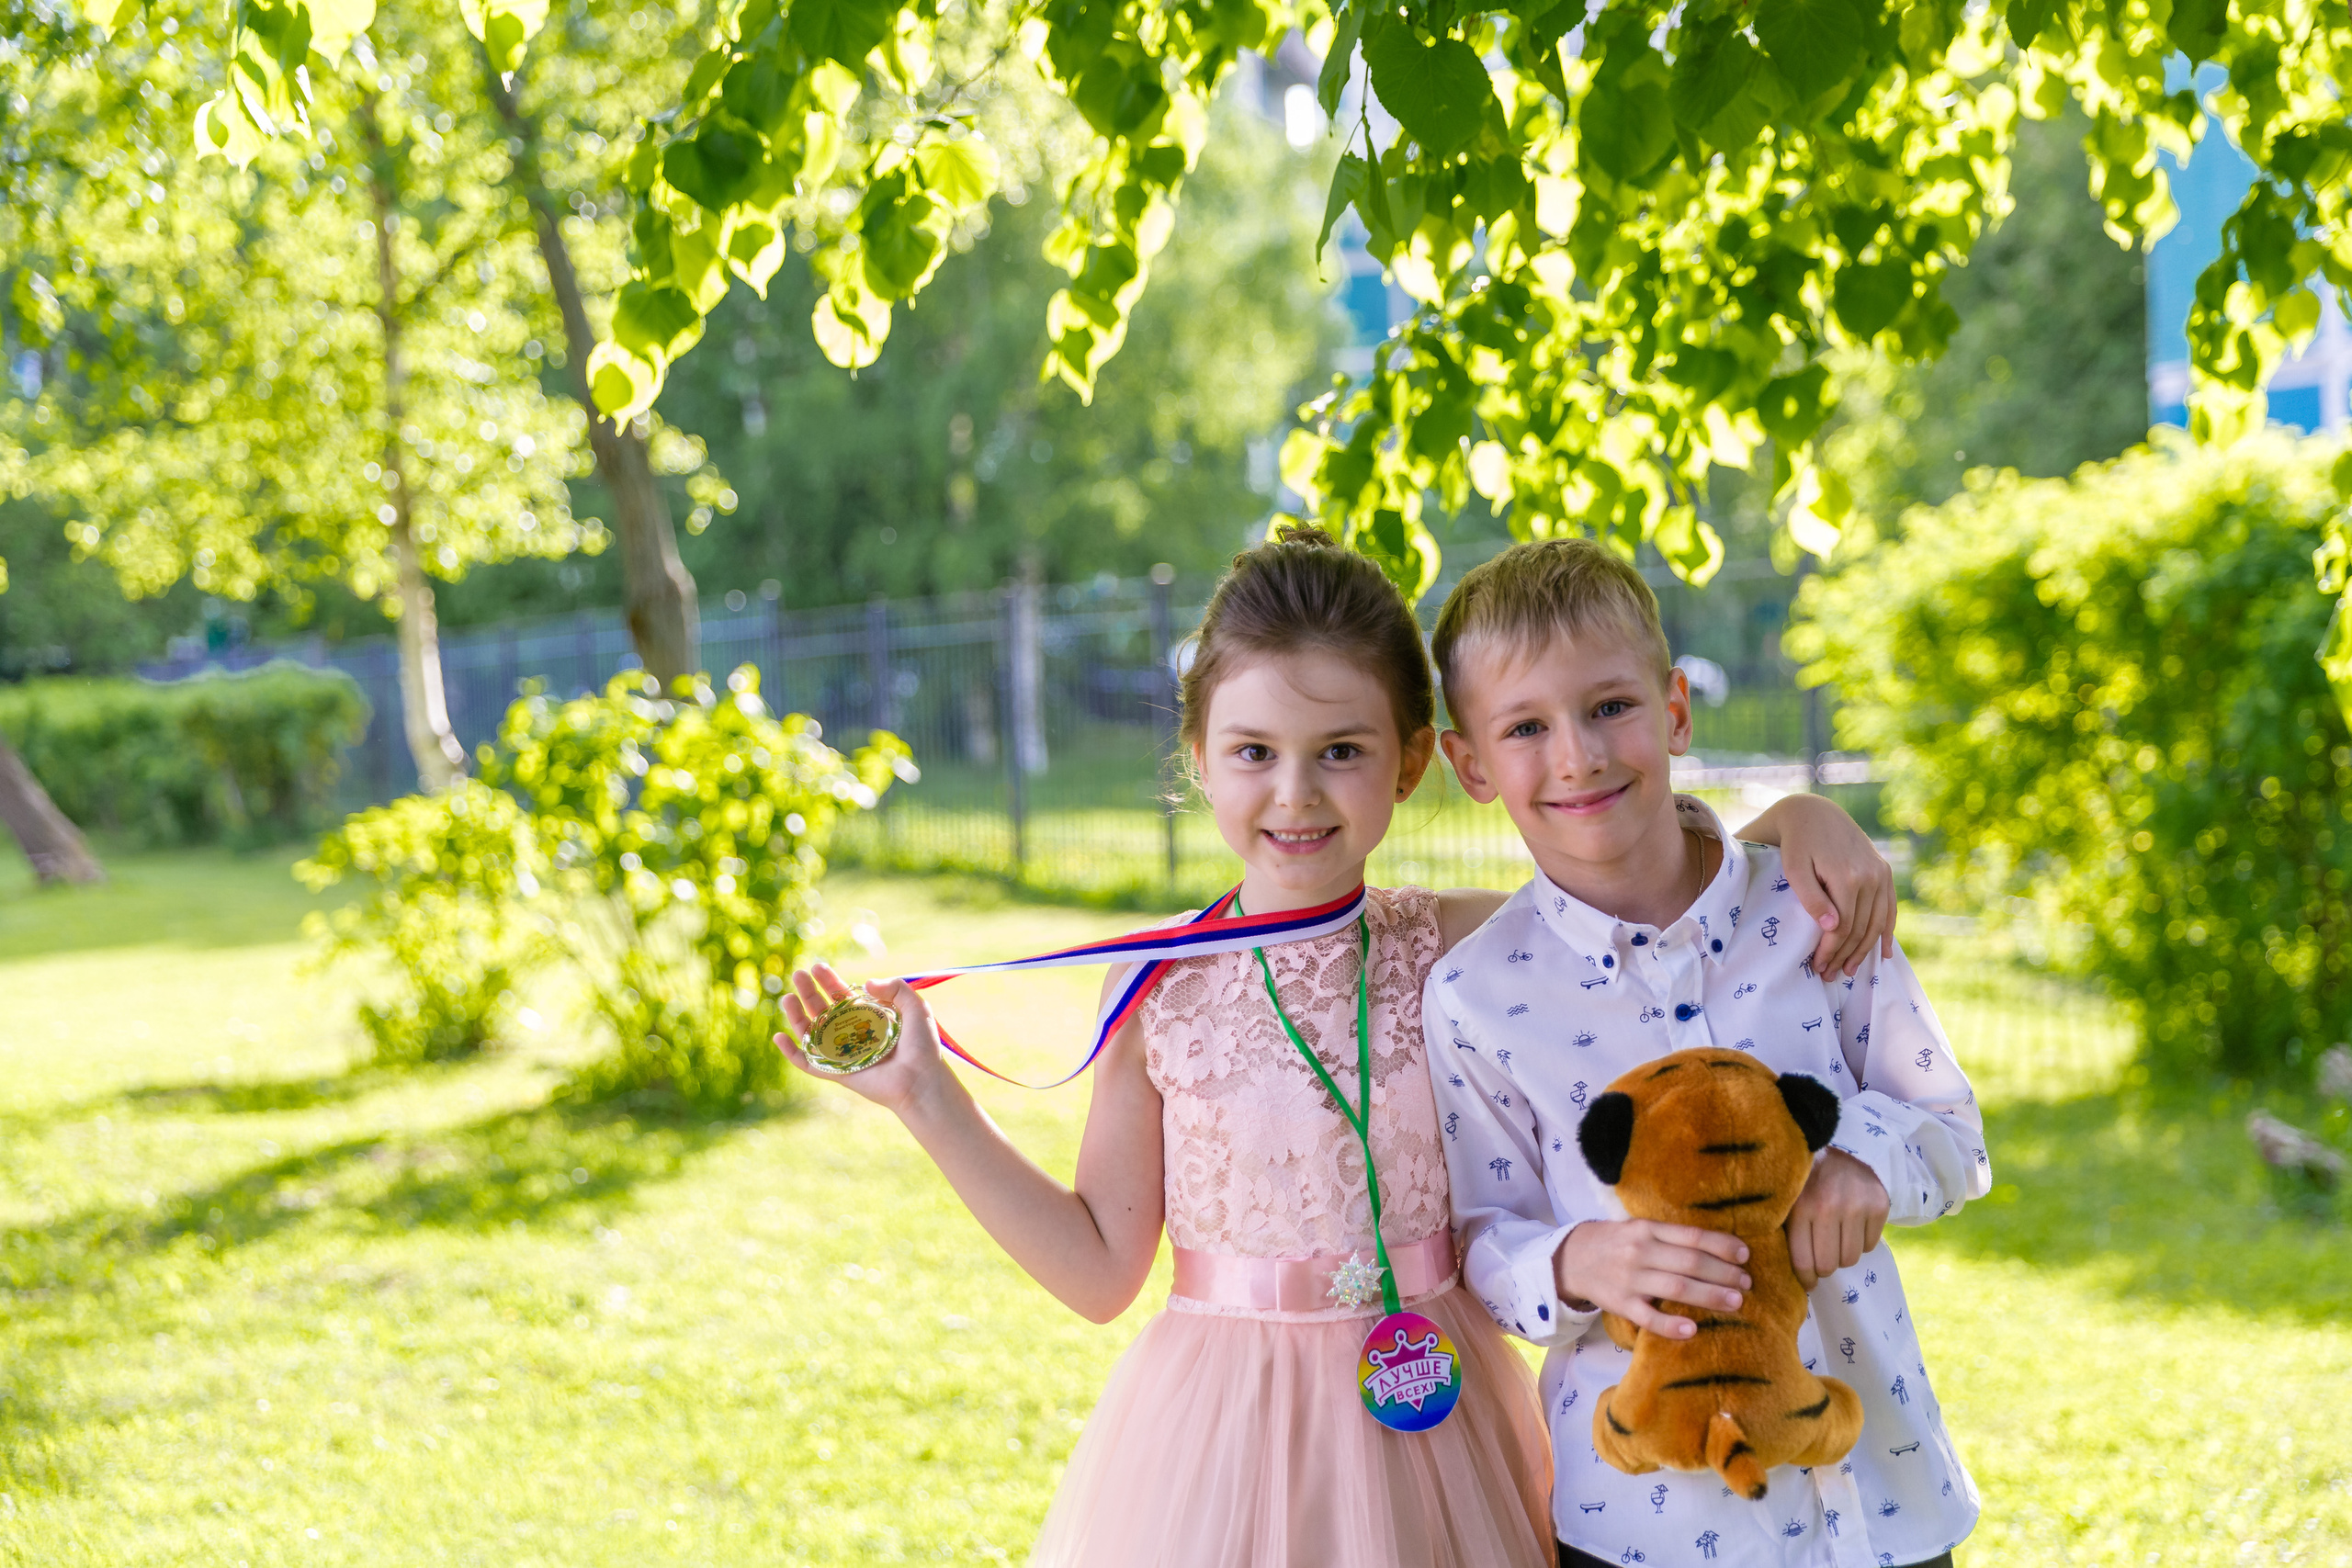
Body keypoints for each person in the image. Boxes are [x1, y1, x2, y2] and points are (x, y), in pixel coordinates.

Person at [776, 525, 1896, 1568]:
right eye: (1253, 751)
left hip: (1441, 1424)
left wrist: (1795, 820)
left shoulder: (1468, 945)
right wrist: (926, 1097)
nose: (1295, 792)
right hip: (1224, 1434)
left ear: (1409, 763)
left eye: (1341, 751)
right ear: (1199, 758)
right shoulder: (1156, 987)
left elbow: (1636, 876)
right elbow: (1098, 1271)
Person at [1423, 537, 1990, 1568]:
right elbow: (1481, 1239)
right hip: (1642, 1529)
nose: (1578, 756)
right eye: (1525, 727)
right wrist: (1576, 1260)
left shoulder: (1814, 906)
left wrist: (1862, 1159)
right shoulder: (1476, 997)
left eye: (1610, 707)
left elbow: (1953, 1128)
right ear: (1470, 765)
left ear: (1675, 709)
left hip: (1875, 1502)